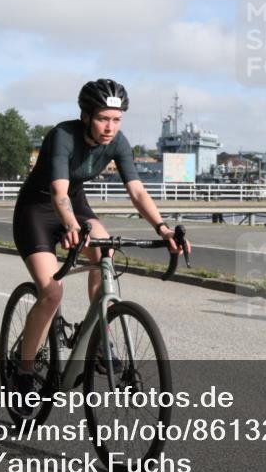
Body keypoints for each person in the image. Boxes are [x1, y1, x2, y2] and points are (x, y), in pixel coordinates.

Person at [11, 79, 189, 404]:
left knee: (106, 251)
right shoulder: (63, 136)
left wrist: (162, 228)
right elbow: (58, 191)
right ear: (86, 116)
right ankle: (22, 371)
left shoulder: (118, 142)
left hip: (75, 207)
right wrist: (69, 225)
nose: (110, 127)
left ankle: (97, 334)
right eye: (103, 119)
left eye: (116, 119)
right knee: (52, 292)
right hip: (37, 210)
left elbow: (137, 192)